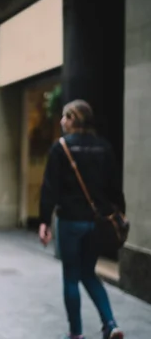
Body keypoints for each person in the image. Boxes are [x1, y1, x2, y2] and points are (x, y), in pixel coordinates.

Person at [39, 100, 125, 339]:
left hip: (70, 221)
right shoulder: (103, 147)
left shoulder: (61, 147)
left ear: (74, 119)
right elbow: (114, 187)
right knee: (88, 272)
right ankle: (110, 323)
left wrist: (44, 221)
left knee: (71, 276)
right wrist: (120, 213)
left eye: (65, 117)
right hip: (97, 223)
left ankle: (76, 333)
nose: (61, 121)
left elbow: (50, 189)